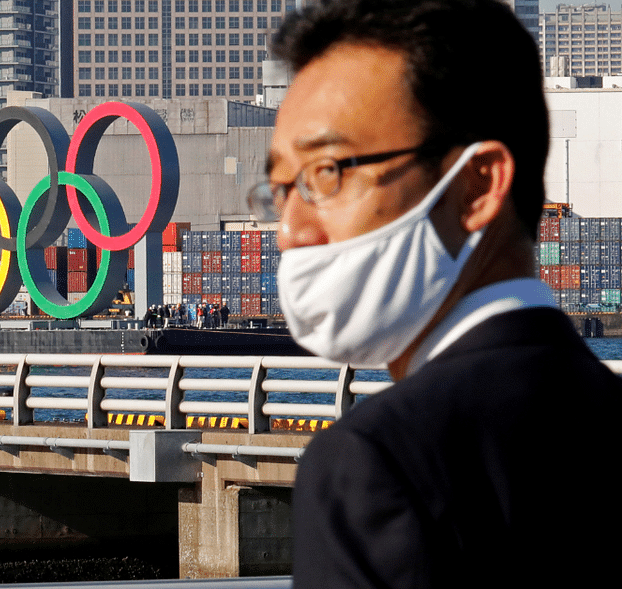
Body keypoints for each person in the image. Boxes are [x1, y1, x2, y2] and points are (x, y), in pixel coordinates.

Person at [250, 1, 621, 587]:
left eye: (327, 173)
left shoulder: (377, 466)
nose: (291, 230)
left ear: (477, 186)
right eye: (280, 188)